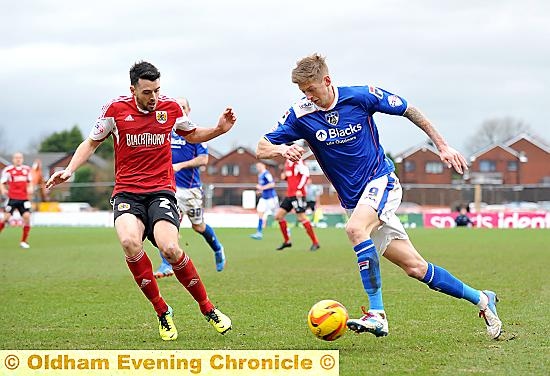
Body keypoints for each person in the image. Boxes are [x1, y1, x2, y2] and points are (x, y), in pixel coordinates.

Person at [256, 53, 502, 339]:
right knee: (415, 267)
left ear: (327, 80)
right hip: (355, 201)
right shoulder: (300, 114)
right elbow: (261, 147)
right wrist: (281, 150)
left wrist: (443, 146)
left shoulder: (361, 96)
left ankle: (377, 314)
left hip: (381, 181)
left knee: (354, 229)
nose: (308, 96)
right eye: (303, 91)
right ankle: (483, 299)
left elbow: (410, 109)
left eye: (312, 89)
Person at [46, 61, 234, 341]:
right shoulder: (114, 110)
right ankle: (162, 311)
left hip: (161, 191)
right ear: (133, 89)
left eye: (157, 90)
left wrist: (219, 129)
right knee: (129, 243)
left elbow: (193, 134)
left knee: (170, 249)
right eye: (147, 92)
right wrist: (70, 169)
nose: (154, 97)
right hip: (127, 193)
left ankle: (207, 308)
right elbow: (91, 143)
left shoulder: (170, 108)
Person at [154, 97, 226, 278]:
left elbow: (204, 159)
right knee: (168, 225)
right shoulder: (166, 132)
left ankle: (217, 248)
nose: (180, 110)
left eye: (183, 107)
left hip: (190, 190)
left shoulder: (195, 133)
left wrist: (180, 165)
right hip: (169, 188)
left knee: (198, 227)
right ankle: (165, 264)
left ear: (189, 110)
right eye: (177, 107)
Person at [273, 157, 320, 251]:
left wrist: (299, 188)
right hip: (289, 195)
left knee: (302, 218)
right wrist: (285, 177)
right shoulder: (287, 162)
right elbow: (292, 177)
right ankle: (287, 241)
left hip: (297, 194)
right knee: (278, 216)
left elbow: (306, 175)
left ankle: (315, 242)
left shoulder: (298, 161)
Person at [0, 152, 34, 248]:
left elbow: (30, 181)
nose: (18, 159)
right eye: (16, 158)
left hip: (24, 199)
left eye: (20, 158)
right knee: (5, 218)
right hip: (12, 198)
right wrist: (3, 190)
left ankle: (24, 241)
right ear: (13, 159)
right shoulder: (8, 170)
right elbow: (2, 182)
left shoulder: (27, 170)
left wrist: (31, 187)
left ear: (22, 159)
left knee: (27, 217)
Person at [249, 161, 279, 240]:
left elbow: (272, 184)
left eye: (259, 166)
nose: (257, 168)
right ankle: (259, 233)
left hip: (271, 198)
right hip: (264, 198)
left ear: (263, 165)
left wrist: (261, 188)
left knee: (278, 216)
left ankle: (286, 230)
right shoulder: (260, 175)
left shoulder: (267, 174)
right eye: (257, 166)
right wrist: (260, 191)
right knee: (260, 213)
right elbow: (264, 187)